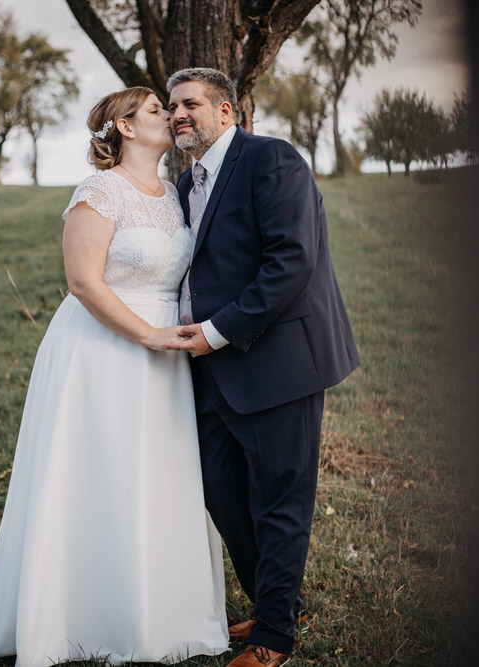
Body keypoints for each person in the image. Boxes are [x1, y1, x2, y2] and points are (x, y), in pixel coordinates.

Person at [0, 87, 229, 667]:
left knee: (155, 475)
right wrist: (146, 335)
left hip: (166, 356)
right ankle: (80, 612)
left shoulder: (173, 193)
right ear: (123, 126)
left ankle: (160, 613)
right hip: (103, 350)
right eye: (155, 111)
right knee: (99, 471)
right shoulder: (98, 192)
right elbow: (83, 282)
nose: (169, 118)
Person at [166, 68, 361, 667]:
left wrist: (217, 334)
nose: (178, 114)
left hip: (278, 363)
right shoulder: (183, 184)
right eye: (171, 105)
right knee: (224, 494)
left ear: (227, 111)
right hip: (210, 373)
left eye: (190, 103)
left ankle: (274, 636)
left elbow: (290, 261)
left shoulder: (271, 160)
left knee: (281, 500)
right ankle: (278, 601)